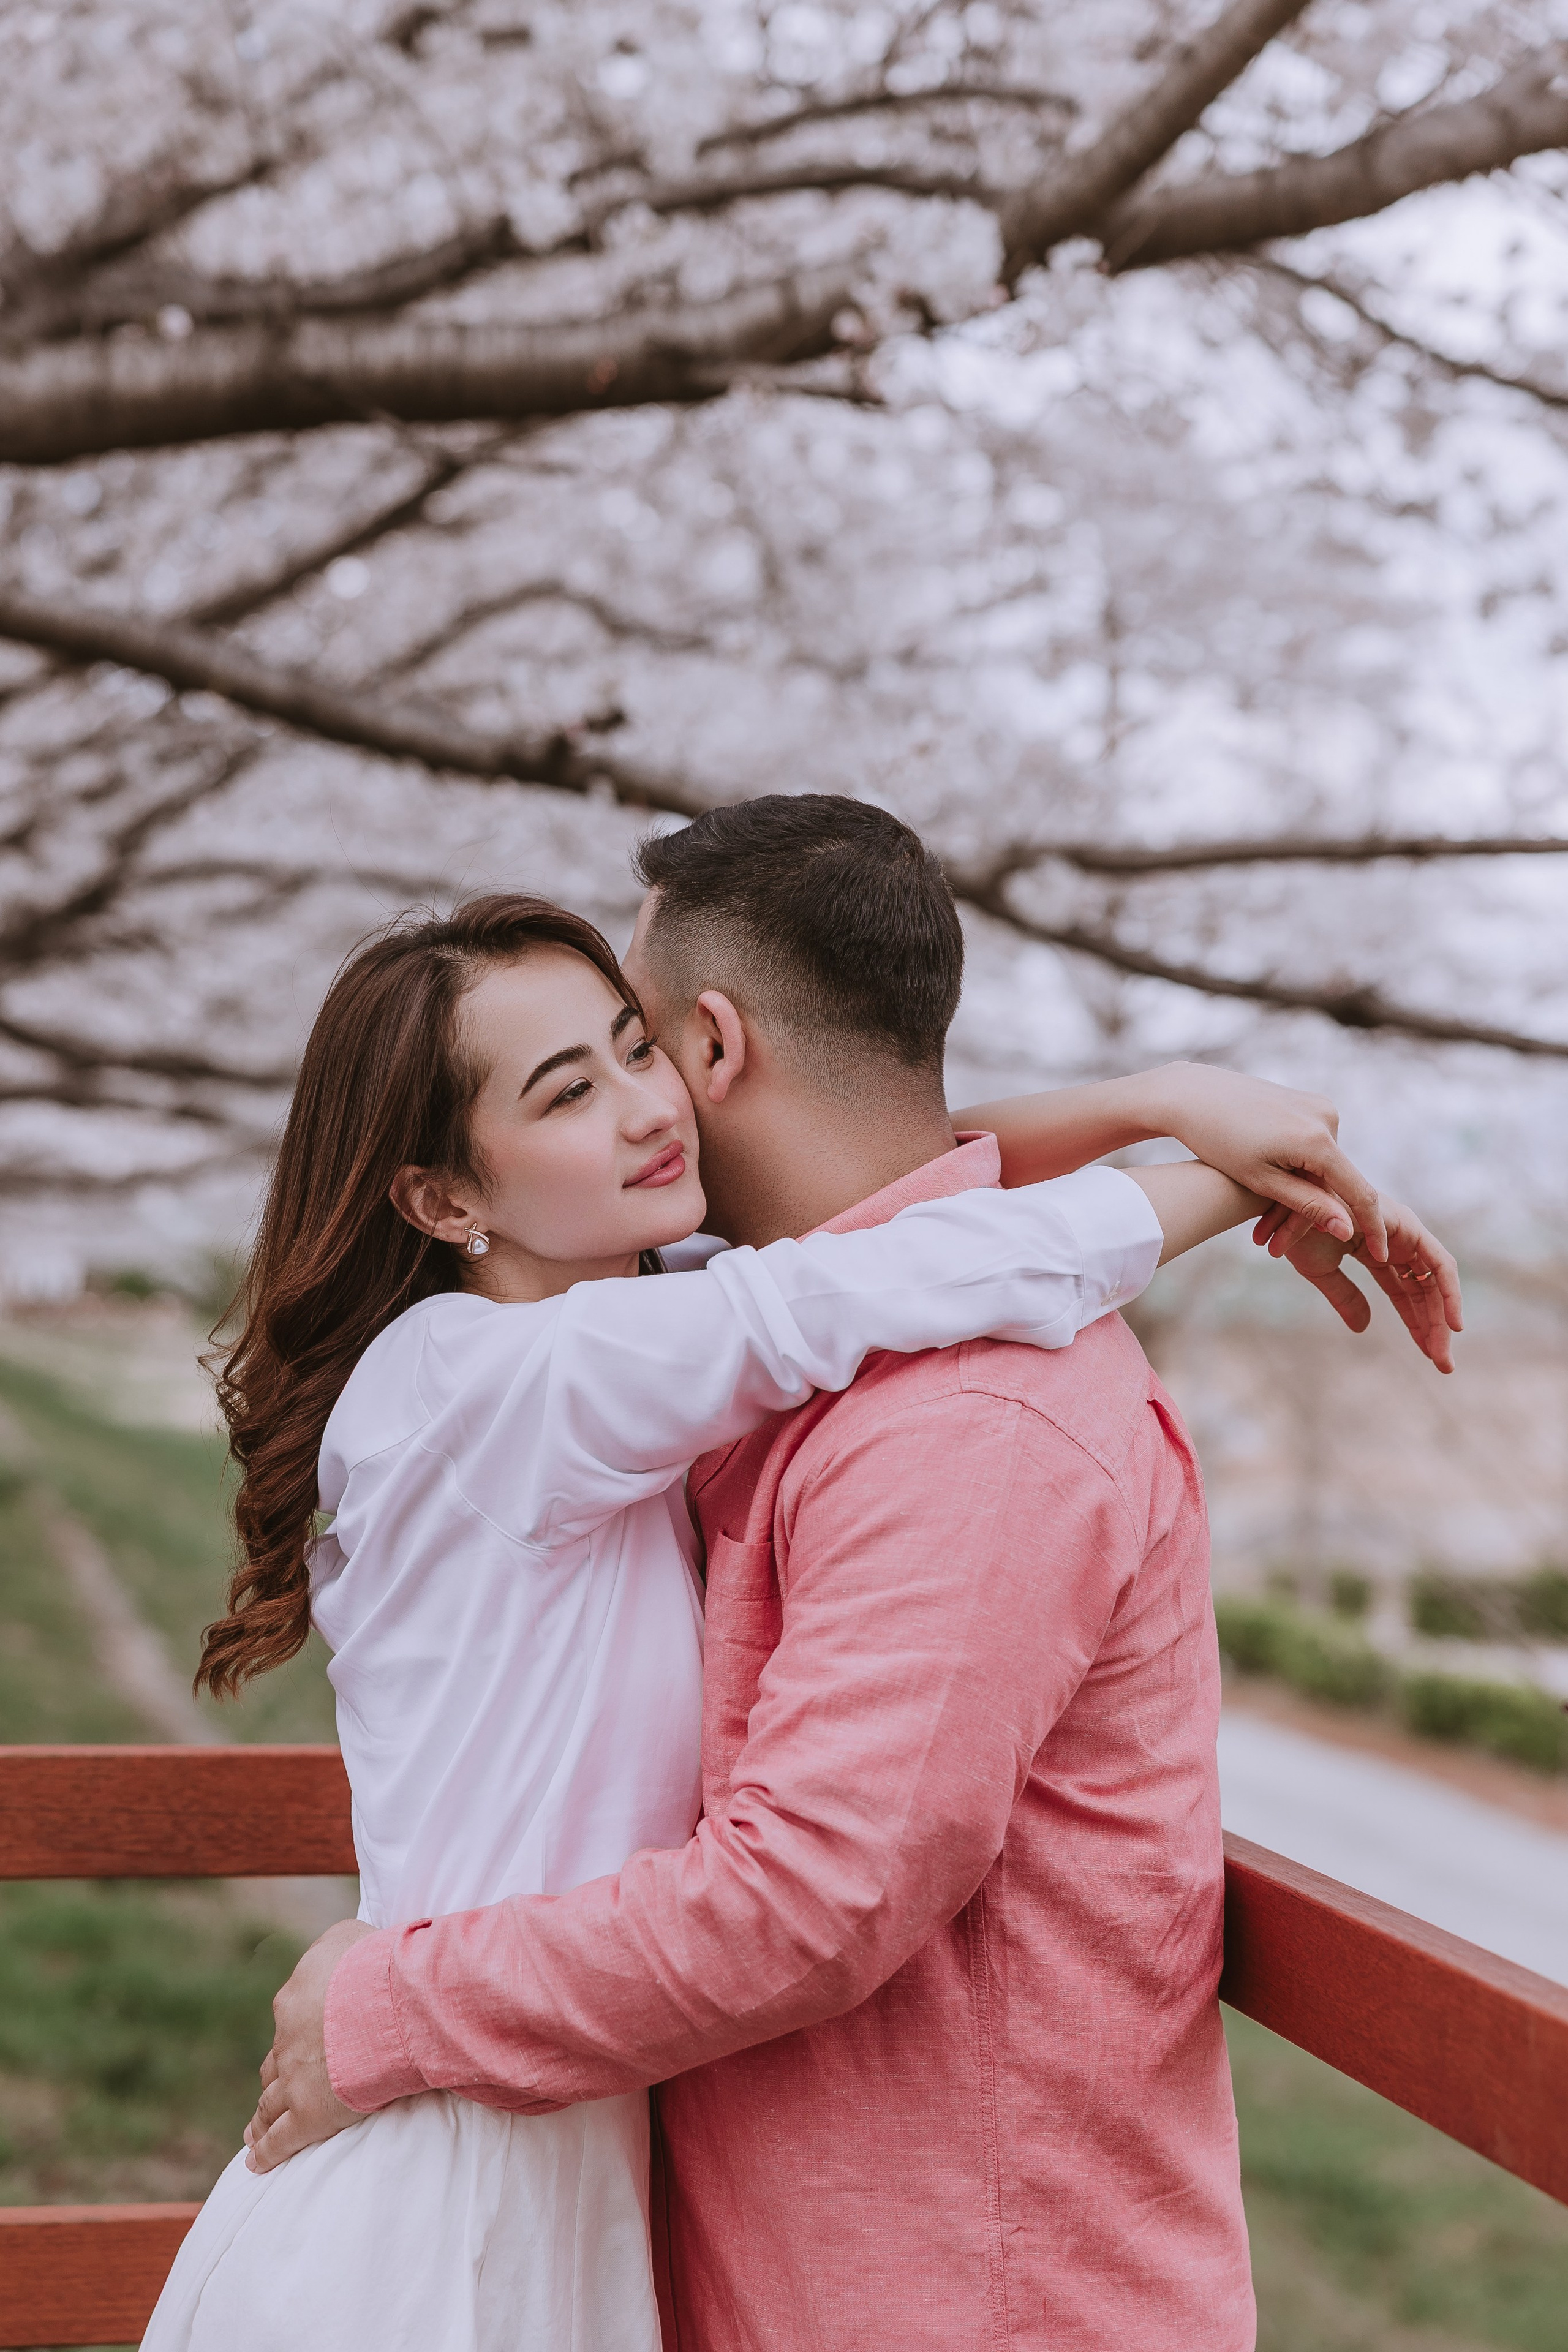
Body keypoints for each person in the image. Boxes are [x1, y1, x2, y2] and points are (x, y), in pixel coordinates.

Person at [247, 801, 1459, 2352]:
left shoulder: (964, 1415)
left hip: (962, 2303)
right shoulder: (619, 1350)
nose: (637, 1106)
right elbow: (873, 1249)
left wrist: (389, 2007)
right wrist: (1193, 1137)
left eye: (639, 1050)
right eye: (573, 1082)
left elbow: (811, 1895)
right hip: (638, 2214)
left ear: (711, 1048)